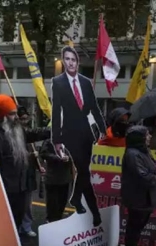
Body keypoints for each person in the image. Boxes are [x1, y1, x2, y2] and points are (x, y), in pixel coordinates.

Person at [0, 94, 49, 246]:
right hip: (4, 192)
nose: (17, 117)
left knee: (16, 221)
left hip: (21, 188)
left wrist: (56, 130)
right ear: (1, 116)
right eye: (12, 113)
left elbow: (34, 133)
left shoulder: (16, 128)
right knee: (2, 225)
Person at [51, 46, 106, 226]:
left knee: (84, 172)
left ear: (77, 62)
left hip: (86, 133)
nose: (70, 62)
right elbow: (56, 111)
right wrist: (56, 139)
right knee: (83, 170)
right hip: (69, 133)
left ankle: (76, 198)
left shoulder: (85, 81)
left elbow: (94, 108)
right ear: (63, 61)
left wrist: (103, 129)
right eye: (67, 59)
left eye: (73, 59)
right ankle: (95, 214)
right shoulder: (57, 82)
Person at [120, 126, 156, 246]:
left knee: (138, 226)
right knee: (134, 226)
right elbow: (142, 177)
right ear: (139, 137)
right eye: (147, 135)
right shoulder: (133, 154)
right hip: (138, 197)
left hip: (145, 197)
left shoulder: (143, 151)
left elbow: (151, 169)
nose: (150, 136)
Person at [17, 106, 44, 237]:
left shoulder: (28, 132)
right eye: (22, 119)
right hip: (16, 177)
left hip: (29, 174)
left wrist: (39, 166)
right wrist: (30, 155)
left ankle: (26, 226)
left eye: (26, 118)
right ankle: (16, 227)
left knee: (28, 204)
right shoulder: (12, 135)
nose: (24, 121)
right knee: (17, 204)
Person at [40, 139, 74, 222]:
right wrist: (57, 158)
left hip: (65, 177)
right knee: (52, 203)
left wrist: (69, 158)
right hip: (52, 178)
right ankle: (51, 221)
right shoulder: (49, 140)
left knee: (62, 202)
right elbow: (43, 154)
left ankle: (58, 219)